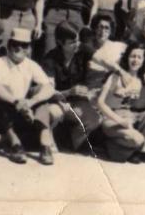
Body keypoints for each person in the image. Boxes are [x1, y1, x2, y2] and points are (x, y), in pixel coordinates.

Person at [0, 28, 59, 165]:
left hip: (24, 111)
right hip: (2, 113)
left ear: (29, 48)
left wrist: (31, 102)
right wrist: (16, 102)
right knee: (2, 92)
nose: (19, 48)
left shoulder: (31, 65)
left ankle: (45, 144)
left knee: (40, 93)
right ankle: (15, 144)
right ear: (9, 45)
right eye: (15, 44)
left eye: (24, 45)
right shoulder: (0, 62)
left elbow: (49, 87)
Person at [40, 21, 102, 151]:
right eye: (72, 42)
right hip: (57, 101)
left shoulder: (82, 50)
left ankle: (70, 143)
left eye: (78, 40)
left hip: (78, 101)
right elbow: (49, 91)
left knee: (95, 119)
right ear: (60, 42)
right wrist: (69, 92)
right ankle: (52, 137)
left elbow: (103, 61)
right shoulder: (50, 59)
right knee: (53, 112)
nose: (77, 44)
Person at [97, 42, 145, 163]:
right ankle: (114, 146)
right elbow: (100, 103)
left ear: (144, 60)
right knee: (138, 139)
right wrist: (120, 120)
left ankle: (134, 152)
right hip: (111, 118)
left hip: (129, 116)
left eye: (139, 57)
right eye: (132, 56)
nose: (135, 60)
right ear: (127, 57)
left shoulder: (141, 79)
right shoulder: (115, 76)